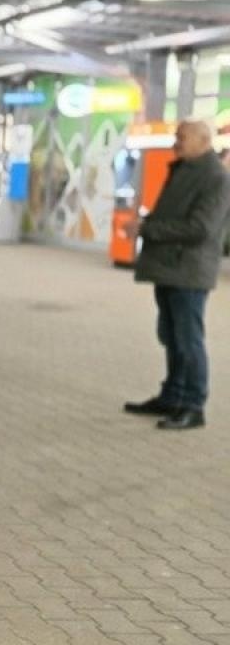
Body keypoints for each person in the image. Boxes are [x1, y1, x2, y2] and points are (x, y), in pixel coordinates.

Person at [121, 119, 230, 431]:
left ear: (202, 140)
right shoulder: (183, 168)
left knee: (188, 340)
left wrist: (147, 229)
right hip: (170, 267)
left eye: (181, 137)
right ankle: (172, 396)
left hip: (189, 270)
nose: (175, 141)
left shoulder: (216, 178)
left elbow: (201, 229)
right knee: (170, 336)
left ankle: (194, 406)